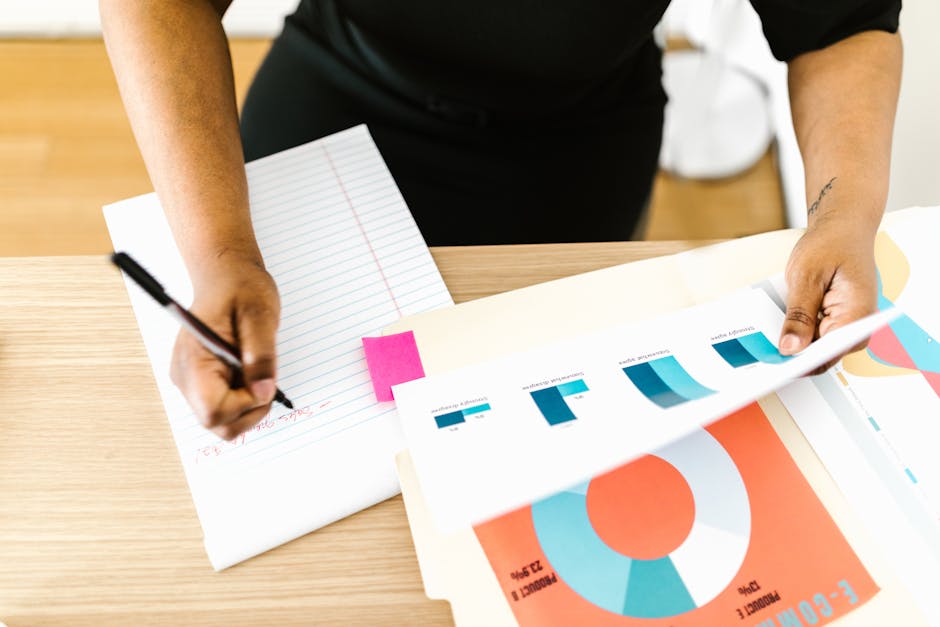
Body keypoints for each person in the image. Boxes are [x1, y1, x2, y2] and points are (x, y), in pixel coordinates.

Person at [99, 0, 902, 440]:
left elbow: (836, 24)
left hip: (575, 145)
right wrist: (220, 251)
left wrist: (845, 212)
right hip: (339, 93)